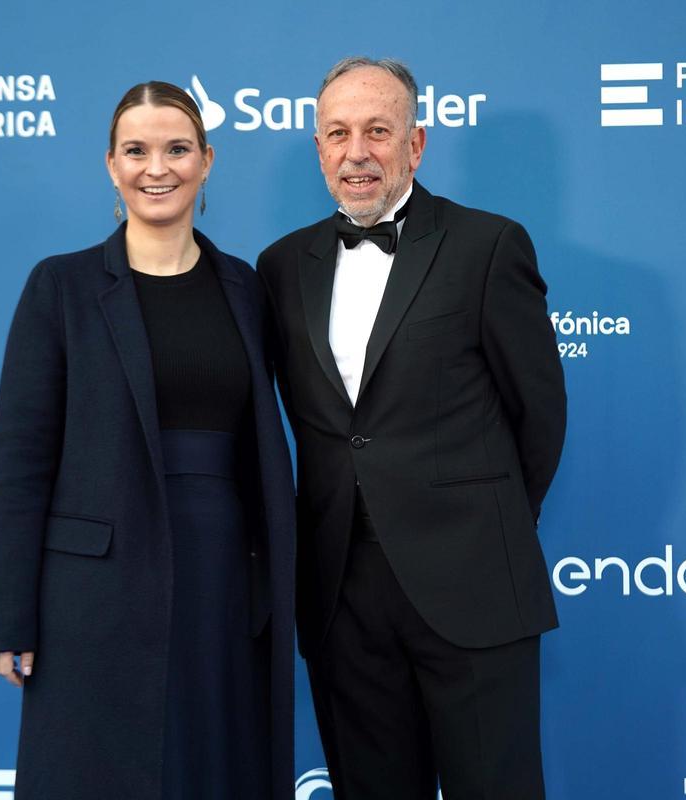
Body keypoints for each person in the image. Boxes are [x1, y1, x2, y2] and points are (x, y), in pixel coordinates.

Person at [257, 57, 567, 799]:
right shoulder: (279, 267)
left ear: (416, 143)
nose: (356, 152)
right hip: (341, 595)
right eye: (337, 133)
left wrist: (480, 526)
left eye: (377, 131)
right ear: (319, 149)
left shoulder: (487, 246)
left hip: (474, 585)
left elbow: (540, 416)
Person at [0, 81, 295, 800]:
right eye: (137, 150)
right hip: (96, 593)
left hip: (223, 584)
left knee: (215, 770)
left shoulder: (245, 287)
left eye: (177, 148)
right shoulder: (59, 287)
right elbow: (20, 459)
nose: (158, 167)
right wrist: (8, 613)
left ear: (207, 161)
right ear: (111, 166)